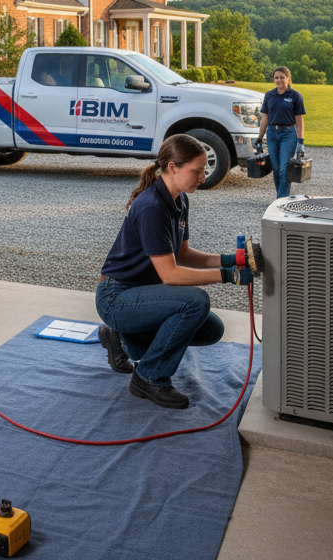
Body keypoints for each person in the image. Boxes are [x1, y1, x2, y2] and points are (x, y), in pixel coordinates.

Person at [95, 134, 253, 409]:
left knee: (211, 330)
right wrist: (229, 276)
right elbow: (171, 275)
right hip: (116, 298)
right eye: (197, 171)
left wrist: (229, 260)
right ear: (172, 167)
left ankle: (121, 337)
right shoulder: (152, 207)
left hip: (143, 294)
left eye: (203, 170)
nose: (203, 177)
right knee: (195, 302)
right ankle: (149, 377)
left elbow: (182, 254)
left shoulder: (179, 201)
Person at [257, 66, 306, 200]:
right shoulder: (269, 95)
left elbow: (299, 121)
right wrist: (259, 138)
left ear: (288, 79)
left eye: (282, 77)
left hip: (288, 135)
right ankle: (282, 198)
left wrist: (300, 142)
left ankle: (280, 201)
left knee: (284, 168)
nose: (279, 80)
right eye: (276, 78)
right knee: (277, 169)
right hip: (272, 134)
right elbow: (264, 118)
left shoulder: (295, 96)